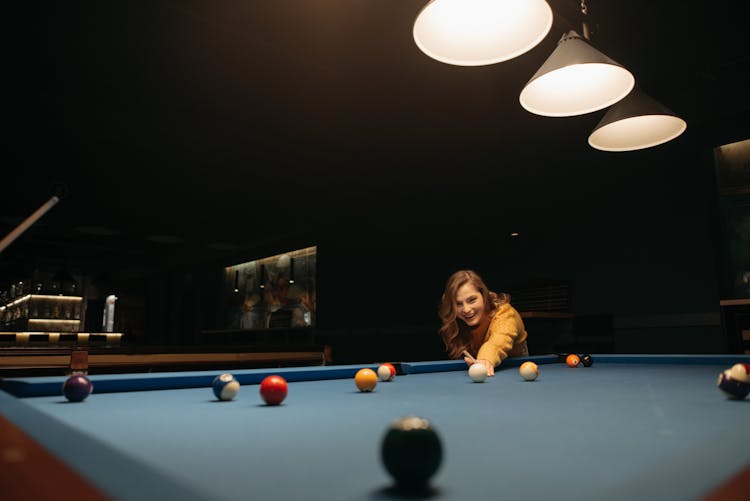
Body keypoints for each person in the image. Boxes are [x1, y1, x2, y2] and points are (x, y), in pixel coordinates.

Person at [438, 270, 528, 376]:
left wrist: (485, 359)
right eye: (458, 304)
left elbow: (499, 340)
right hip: (482, 370)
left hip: (515, 371)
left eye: (472, 300)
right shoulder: (455, 319)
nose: (466, 309)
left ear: (484, 295)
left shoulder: (505, 313)